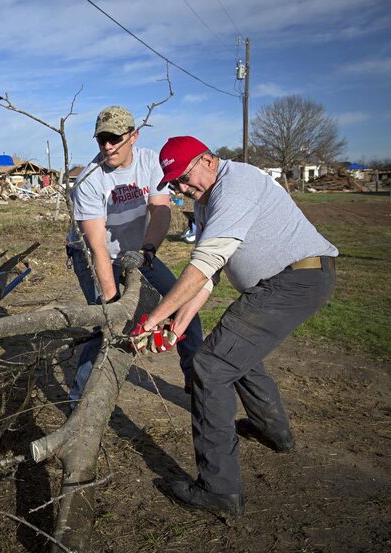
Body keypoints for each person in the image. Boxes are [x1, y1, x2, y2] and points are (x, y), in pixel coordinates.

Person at [132, 136, 338, 516]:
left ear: (208, 159)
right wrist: (177, 326)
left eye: (183, 176)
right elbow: (209, 278)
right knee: (232, 352)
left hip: (295, 280)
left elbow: (204, 263)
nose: (180, 188)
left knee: (210, 366)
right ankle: (273, 431)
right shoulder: (208, 202)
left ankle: (219, 491)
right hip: (288, 282)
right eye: (173, 183)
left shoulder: (236, 184)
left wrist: (154, 318)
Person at [65, 106, 204, 402]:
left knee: (185, 304)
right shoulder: (89, 180)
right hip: (91, 254)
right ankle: (79, 401)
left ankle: (197, 381)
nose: (107, 146)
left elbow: (160, 210)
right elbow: (97, 247)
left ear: (134, 136)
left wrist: (148, 252)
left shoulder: (151, 162)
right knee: (109, 321)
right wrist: (114, 300)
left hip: (138, 250)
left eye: (114, 138)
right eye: (101, 139)